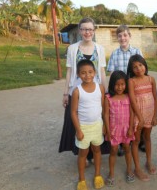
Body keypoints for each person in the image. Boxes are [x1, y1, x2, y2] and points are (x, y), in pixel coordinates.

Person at [59, 17, 109, 163]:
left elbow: (102, 71)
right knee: (77, 121)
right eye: (85, 29)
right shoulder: (72, 49)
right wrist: (65, 93)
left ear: (94, 31)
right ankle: (82, 154)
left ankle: (94, 153)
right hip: (77, 91)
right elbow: (69, 72)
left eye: (90, 29)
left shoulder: (100, 49)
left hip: (95, 92)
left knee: (96, 120)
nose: (88, 32)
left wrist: (104, 92)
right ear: (80, 31)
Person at [106, 24, 144, 156]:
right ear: (117, 38)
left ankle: (139, 140)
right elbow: (111, 73)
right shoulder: (114, 54)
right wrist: (111, 90)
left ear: (130, 36)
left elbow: (142, 70)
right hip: (120, 90)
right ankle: (122, 143)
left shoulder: (137, 52)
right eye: (120, 36)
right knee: (123, 116)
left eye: (125, 35)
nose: (123, 38)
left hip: (135, 89)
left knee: (137, 113)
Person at [71, 60, 105, 190]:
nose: (87, 75)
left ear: (95, 73)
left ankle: (97, 175)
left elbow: (102, 107)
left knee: (97, 150)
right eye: (83, 73)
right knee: (83, 153)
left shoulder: (100, 88)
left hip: (97, 126)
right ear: (78, 74)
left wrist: (104, 125)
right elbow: (73, 112)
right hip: (83, 128)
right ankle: (82, 179)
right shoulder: (77, 91)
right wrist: (78, 130)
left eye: (90, 72)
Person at [127, 54, 157, 181]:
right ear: (131, 69)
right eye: (135, 67)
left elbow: (155, 98)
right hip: (138, 115)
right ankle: (137, 168)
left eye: (140, 65)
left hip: (150, 113)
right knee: (136, 140)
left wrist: (155, 115)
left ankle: (148, 161)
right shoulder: (131, 81)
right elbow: (133, 101)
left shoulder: (151, 79)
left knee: (147, 138)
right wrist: (139, 118)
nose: (138, 68)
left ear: (145, 65)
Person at [104, 71, 135, 187]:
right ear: (112, 84)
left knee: (127, 149)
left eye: (122, 84)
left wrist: (131, 128)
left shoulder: (128, 97)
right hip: (114, 129)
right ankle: (111, 174)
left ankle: (129, 170)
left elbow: (132, 113)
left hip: (126, 129)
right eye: (117, 84)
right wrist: (107, 129)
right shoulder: (108, 98)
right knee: (113, 151)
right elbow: (106, 115)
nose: (120, 87)